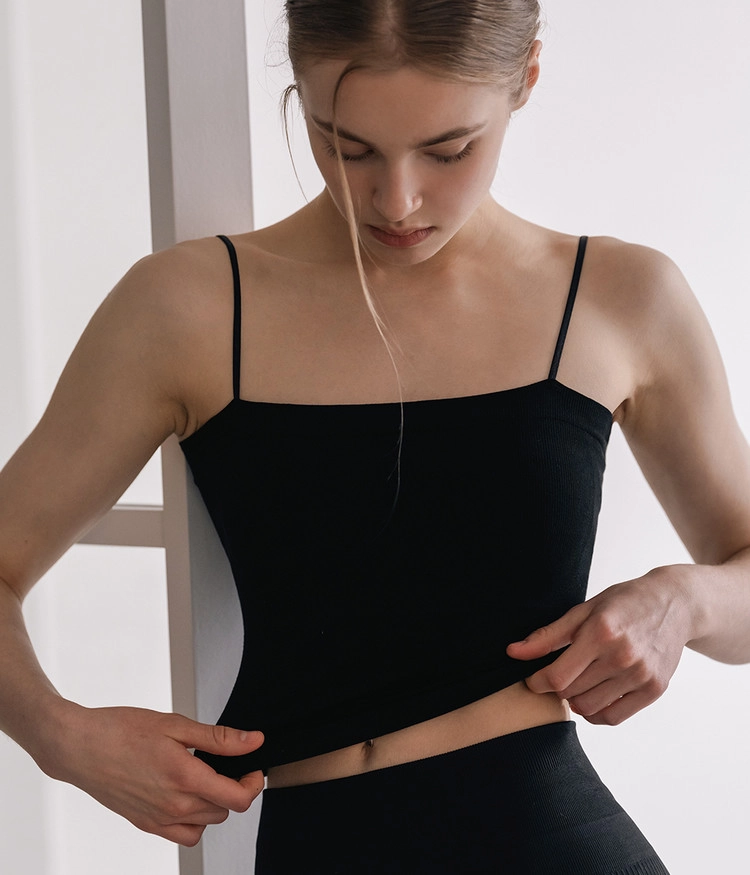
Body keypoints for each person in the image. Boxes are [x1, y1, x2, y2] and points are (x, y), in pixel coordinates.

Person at [2, 0, 750, 872]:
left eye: (449, 150)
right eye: (345, 146)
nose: (396, 201)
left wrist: (682, 600)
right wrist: (60, 735)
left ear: (526, 79)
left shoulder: (619, 296)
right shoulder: (188, 307)